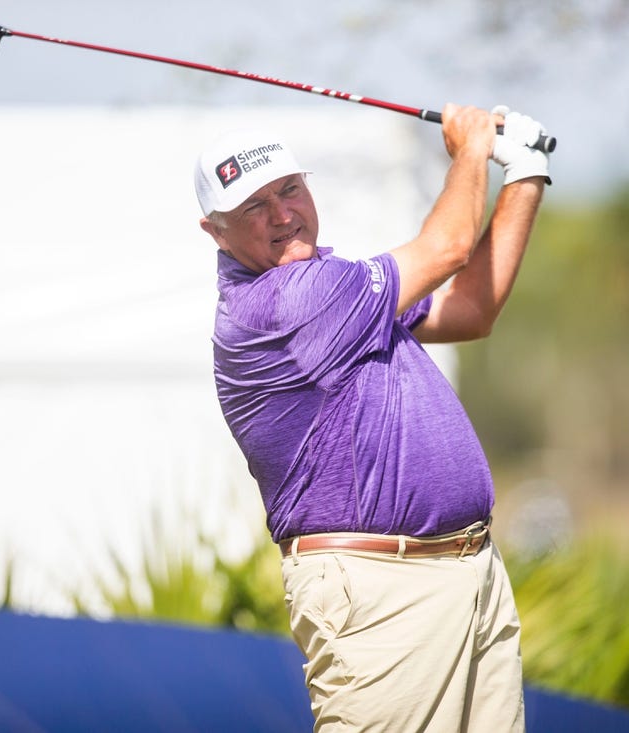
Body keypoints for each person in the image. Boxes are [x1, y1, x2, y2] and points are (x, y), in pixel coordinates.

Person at [193, 103, 550, 732]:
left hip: (469, 573)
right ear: (215, 232)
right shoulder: (285, 303)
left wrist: (523, 172)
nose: (282, 214)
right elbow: (448, 247)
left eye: (290, 189)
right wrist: (471, 148)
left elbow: (471, 312)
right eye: (254, 206)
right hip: (379, 593)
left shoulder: (335, 286)